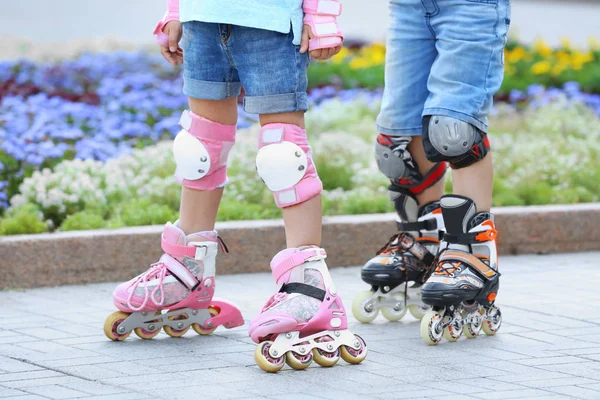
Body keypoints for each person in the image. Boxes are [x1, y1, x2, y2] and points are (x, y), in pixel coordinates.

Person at [103, 0, 368, 371]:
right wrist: (176, 12)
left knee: (283, 155)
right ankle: (187, 272)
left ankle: (308, 286)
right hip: (202, 20)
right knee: (198, 148)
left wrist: (322, 15)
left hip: (270, 24)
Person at [355, 0, 509, 344]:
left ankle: (470, 255)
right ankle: (422, 244)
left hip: (471, 7)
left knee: (455, 131)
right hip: (407, 7)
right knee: (395, 140)